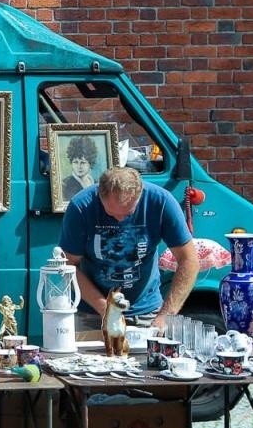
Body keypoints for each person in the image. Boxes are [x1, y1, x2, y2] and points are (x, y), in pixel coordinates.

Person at [60, 167, 198, 332]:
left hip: (147, 311)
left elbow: (189, 260)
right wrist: (105, 309)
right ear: (100, 195)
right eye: (110, 213)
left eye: (127, 214)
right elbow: (68, 266)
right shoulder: (81, 206)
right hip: (91, 311)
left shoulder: (161, 202)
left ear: (139, 196)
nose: (119, 219)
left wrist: (166, 315)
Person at [61, 135, 98, 200]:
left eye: (83, 162)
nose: (79, 166)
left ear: (90, 163)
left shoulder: (97, 183)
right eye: (75, 162)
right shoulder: (64, 185)